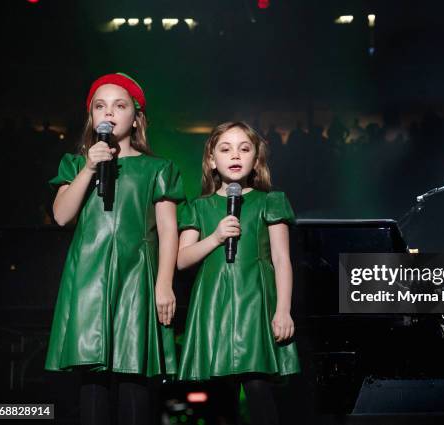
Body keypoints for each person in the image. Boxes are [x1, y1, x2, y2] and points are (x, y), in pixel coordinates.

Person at [45, 73, 185, 425]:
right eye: (100, 106)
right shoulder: (76, 164)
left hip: (136, 275)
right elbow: (61, 216)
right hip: (88, 278)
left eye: (119, 105)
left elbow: (169, 231)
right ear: (91, 117)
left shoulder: (158, 168)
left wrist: (164, 283)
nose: (109, 113)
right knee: (92, 376)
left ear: (136, 117)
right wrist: (91, 167)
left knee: (132, 371)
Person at [177, 121, 299, 425]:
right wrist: (216, 238)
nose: (235, 156)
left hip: (255, 302)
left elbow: (282, 259)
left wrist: (283, 310)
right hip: (213, 305)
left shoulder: (269, 201)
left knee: (257, 386)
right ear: (211, 160)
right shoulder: (199, 207)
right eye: (225, 149)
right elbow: (181, 259)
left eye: (244, 149)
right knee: (219, 394)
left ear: (256, 160)